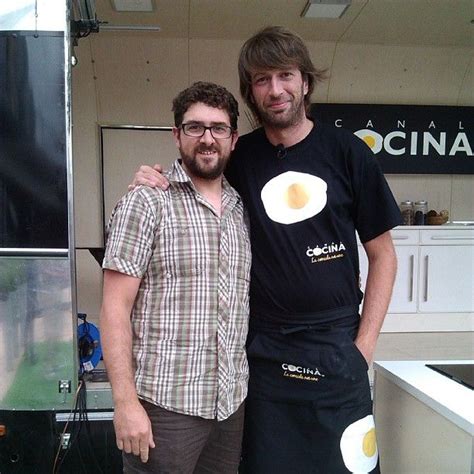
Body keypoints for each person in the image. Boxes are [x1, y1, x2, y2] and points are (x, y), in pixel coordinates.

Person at [130, 26, 401, 474]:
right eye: (261, 80)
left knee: (347, 464)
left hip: (336, 347)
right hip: (263, 353)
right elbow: (195, 174)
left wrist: (364, 346)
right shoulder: (241, 157)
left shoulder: (349, 153)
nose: (275, 90)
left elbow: (384, 255)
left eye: (285, 76)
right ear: (250, 93)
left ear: (305, 82)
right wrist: (152, 177)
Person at [100, 81, 252, 473]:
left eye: (218, 128)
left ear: (233, 139)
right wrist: (125, 403)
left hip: (228, 406)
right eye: (194, 127)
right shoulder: (146, 201)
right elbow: (115, 310)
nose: (207, 139)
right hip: (164, 408)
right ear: (176, 135)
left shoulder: (241, 209)